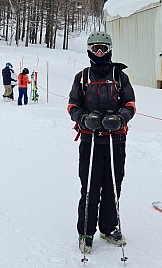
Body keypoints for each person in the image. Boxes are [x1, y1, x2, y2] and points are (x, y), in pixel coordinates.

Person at [67, 31, 136, 254]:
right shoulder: (82, 77)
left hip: (116, 139)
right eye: (95, 49)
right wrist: (84, 119)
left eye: (103, 49)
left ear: (109, 50)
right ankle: (86, 231)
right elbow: (72, 105)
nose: (99, 53)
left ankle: (109, 227)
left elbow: (130, 104)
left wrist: (121, 118)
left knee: (113, 185)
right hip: (91, 140)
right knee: (90, 185)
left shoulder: (119, 76)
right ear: (89, 51)